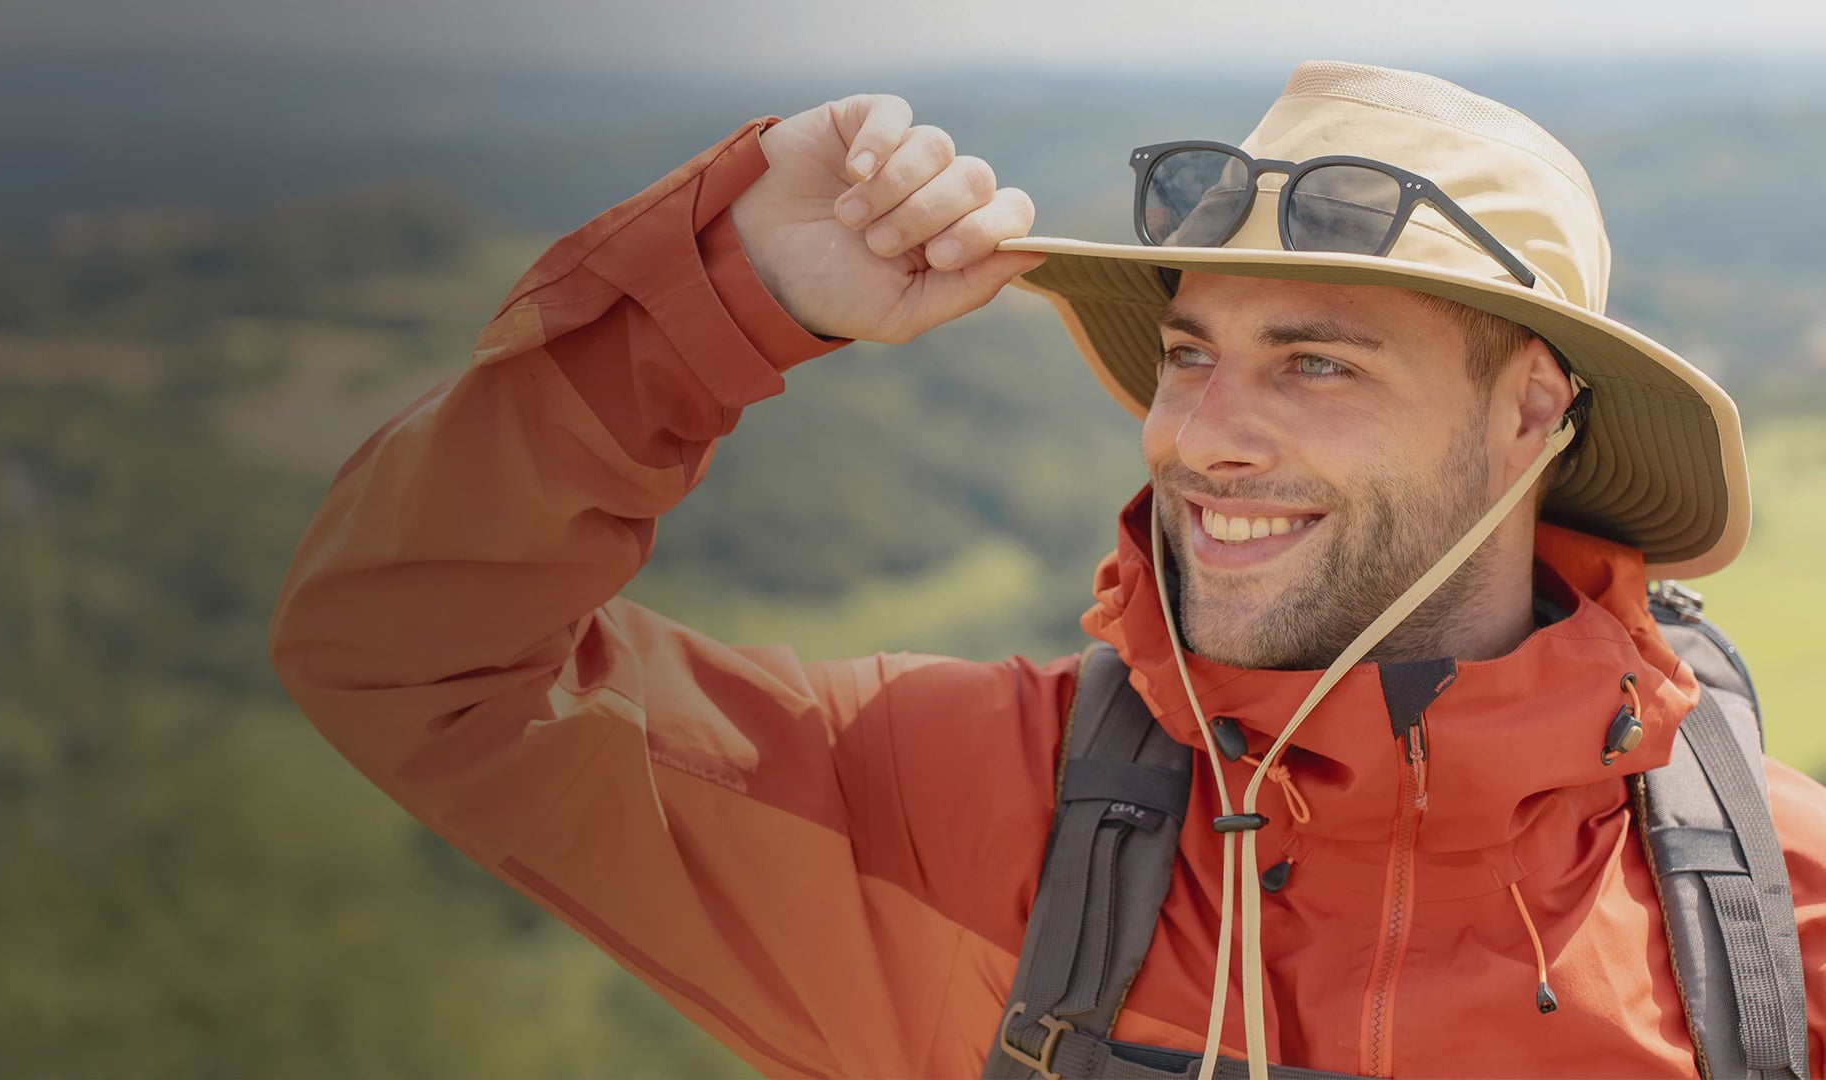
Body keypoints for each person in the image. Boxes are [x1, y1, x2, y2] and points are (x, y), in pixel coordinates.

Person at [267, 61, 1825, 1078]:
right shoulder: (953, 806)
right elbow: (412, 661)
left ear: (1530, 413)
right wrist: (727, 301)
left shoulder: (1777, 909)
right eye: (1191, 353)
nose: (1199, 435)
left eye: (1317, 364)